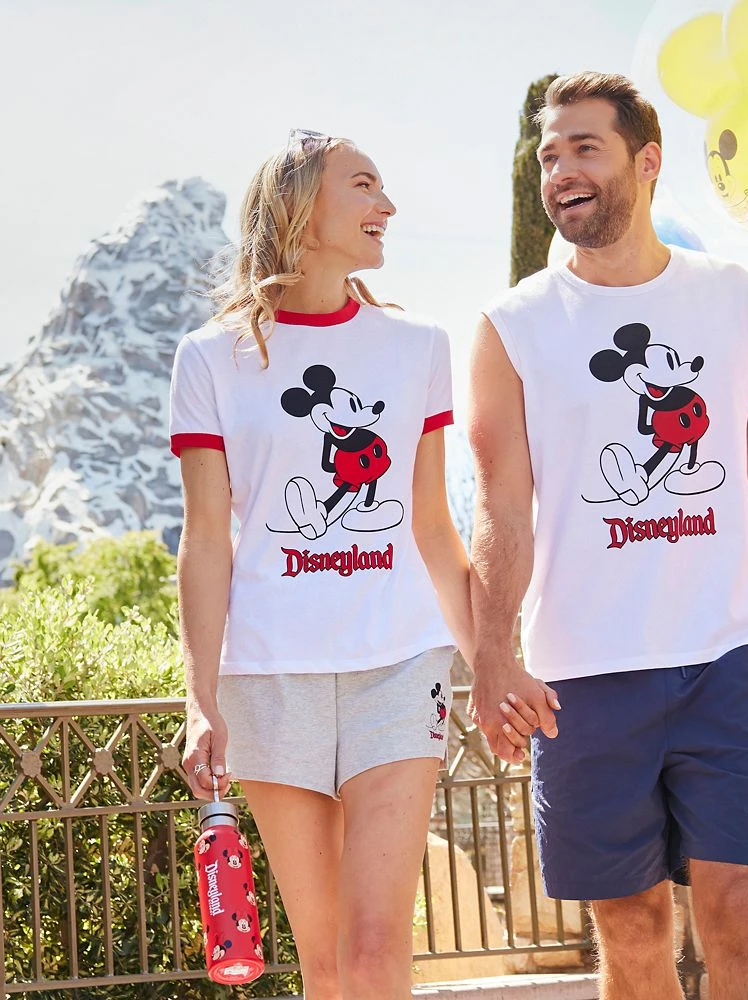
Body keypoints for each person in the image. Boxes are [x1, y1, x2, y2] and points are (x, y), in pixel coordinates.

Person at [467, 73, 748, 1000]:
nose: (561, 171)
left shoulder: (741, 300)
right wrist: (494, 654)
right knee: (632, 932)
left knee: (743, 915)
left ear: (648, 162)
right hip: (583, 673)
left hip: (730, 657)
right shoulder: (511, 328)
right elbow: (501, 507)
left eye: (585, 148)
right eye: (549, 155)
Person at [170, 130, 472, 1000]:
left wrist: (491, 659)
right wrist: (199, 698)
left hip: (400, 666)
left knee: (376, 948)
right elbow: (207, 540)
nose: (388, 205)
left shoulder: (418, 347)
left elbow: (433, 525)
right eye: (364, 185)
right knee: (328, 963)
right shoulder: (211, 358)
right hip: (269, 675)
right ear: (302, 209)